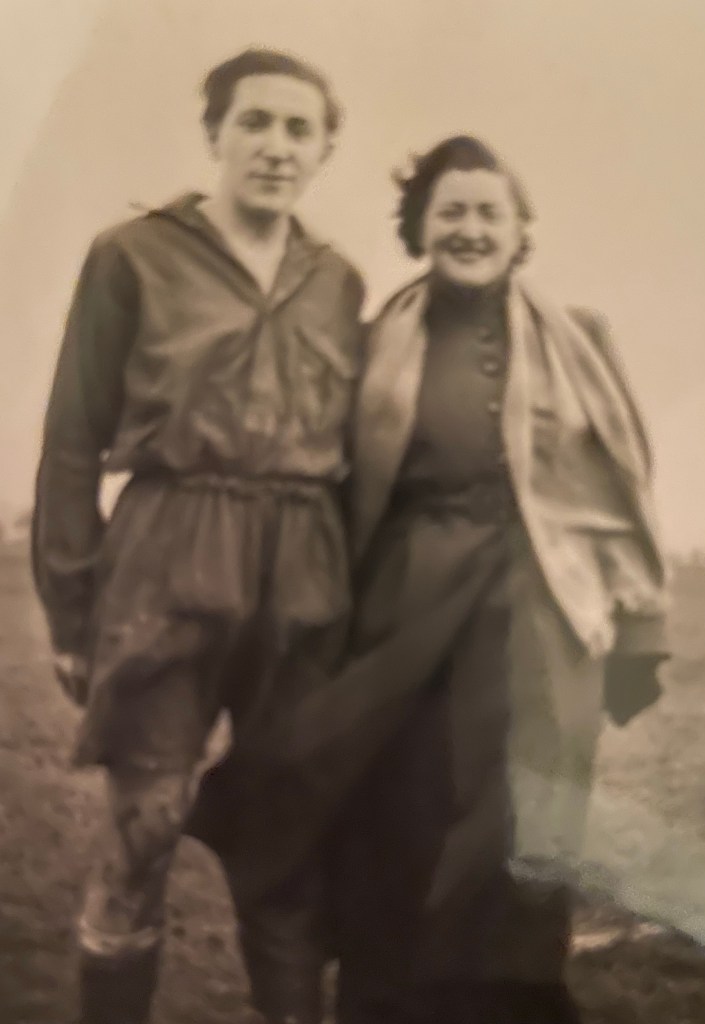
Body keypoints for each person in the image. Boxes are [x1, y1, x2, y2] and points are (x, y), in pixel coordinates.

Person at [31, 47, 364, 1024]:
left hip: (303, 570)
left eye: (299, 129)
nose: (276, 146)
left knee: (288, 843)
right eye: (254, 121)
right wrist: (70, 608)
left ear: (325, 150)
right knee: (145, 828)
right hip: (168, 554)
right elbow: (73, 437)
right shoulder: (132, 255)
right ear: (215, 133)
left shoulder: (339, 281)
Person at [303, 135, 669, 1024]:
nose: (471, 229)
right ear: (420, 226)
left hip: (540, 611)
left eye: (489, 212)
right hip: (404, 610)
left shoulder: (581, 338)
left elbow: (623, 486)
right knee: (401, 813)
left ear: (519, 228)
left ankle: (514, 1001)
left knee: (528, 821)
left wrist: (640, 633)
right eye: (451, 211)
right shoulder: (376, 340)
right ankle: (389, 1002)